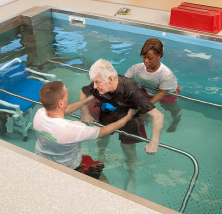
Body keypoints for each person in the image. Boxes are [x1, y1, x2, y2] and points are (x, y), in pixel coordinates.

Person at [79, 58, 164, 192]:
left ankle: (131, 174)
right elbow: (83, 92)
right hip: (107, 112)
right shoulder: (101, 82)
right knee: (102, 137)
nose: (94, 86)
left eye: (97, 82)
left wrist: (154, 141)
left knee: (128, 149)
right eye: (94, 82)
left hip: (129, 117)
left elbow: (158, 116)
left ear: (111, 79)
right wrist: (85, 112)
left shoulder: (131, 91)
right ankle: (101, 155)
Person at [33, 81, 135, 179]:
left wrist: (90, 98)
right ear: (60, 103)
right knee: (103, 180)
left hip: (42, 157)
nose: (67, 96)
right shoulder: (75, 129)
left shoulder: (39, 114)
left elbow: (64, 110)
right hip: (69, 166)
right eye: (66, 96)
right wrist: (128, 116)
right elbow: (105, 130)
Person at [124, 38, 181, 132]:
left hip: (167, 92)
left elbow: (161, 93)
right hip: (147, 89)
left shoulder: (166, 74)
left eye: (150, 58)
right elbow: (124, 81)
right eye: (144, 57)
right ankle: (145, 116)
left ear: (159, 56)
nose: (146, 61)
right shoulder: (136, 68)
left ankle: (176, 119)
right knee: (141, 105)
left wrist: (145, 106)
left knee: (171, 108)